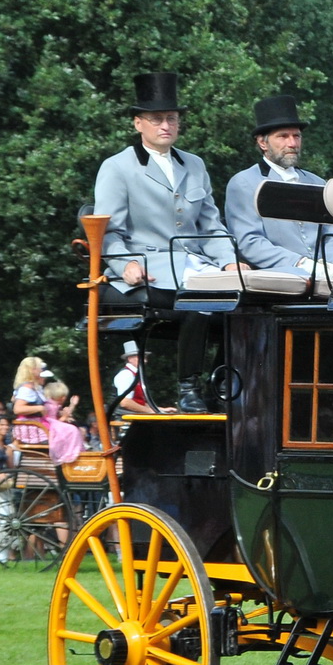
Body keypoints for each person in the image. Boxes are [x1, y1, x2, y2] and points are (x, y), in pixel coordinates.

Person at [92, 72, 239, 412]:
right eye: (157, 119)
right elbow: (108, 232)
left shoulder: (195, 165)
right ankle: (187, 387)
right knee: (202, 301)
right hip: (150, 266)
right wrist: (125, 264)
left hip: (196, 263)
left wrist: (230, 261)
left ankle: (223, 384)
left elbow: (211, 225)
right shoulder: (117, 168)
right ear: (138, 123)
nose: (165, 125)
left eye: (171, 118)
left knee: (245, 305)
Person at [223, 94, 333, 278]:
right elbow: (250, 242)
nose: (292, 143)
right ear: (262, 142)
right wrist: (300, 263)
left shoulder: (318, 183)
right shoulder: (243, 183)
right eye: (283, 136)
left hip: (327, 276)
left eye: (296, 136)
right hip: (279, 276)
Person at [112, 340, 164, 415]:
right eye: (141, 357)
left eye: (145, 358)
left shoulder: (134, 375)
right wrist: (151, 411)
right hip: (123, 419)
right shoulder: (126, 375)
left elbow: (138, 403)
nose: (145, 361)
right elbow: (125, 402)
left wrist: (159, 409)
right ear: (130, 359)